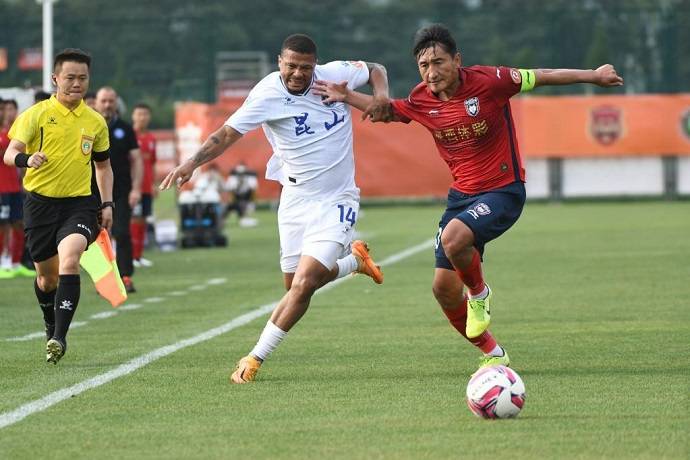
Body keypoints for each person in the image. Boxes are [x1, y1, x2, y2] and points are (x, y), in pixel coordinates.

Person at [314, 23, 624, 371]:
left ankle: (479, 293)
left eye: (438, 62)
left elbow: (543, 74)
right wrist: (347, 96)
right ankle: (494, 355)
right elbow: (387, 110)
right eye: (424, 65)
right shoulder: (422, 99)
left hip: (503, 190)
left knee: (454, 238)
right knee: (443, 289)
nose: (431, 72)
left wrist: (593, 76)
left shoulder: (490, 81)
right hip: (462, 198)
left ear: (457, 59)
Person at [161, 33, 390, 384]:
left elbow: (377, 68)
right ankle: (353, 263)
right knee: (295, 286)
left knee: (304, 284)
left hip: (337, 199)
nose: (299, 74)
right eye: (292, 66)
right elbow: (224, 134)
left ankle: (253, 360)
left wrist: (381, 95)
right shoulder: (267, 94)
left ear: (317, 65)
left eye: (307, 67)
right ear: (279, 61)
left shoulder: (335, 74)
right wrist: (191, 163)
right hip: (294, 201)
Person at [3, 48, 113, 363]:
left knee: (70, 260)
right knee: (46, 279)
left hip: (79, 205)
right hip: (39, 205)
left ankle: (59, 338)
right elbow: (10, 154)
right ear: (55, 78)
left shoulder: (95, 121)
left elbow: (103, 167)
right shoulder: (36, 115)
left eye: (83, 78)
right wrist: (27, 158)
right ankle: (50, 322)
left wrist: (106, 203)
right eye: (70, 77)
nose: (77, 83)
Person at [95, 87, 142, 292]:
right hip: (93, 190)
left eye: (110, 101)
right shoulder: (89, 126)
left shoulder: (125, 128)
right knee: (97, 235)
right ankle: (103, 279)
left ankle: (125, 276)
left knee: (122, 233)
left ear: (116, 103)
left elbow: (137, 159)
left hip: (121, 190)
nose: (107, 105)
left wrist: (137, 189)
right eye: (103, 101)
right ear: (96, 102)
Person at [0, 98, 34, 279]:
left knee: (18, 223)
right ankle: (3, 262)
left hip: (14, 188)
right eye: (5, 109)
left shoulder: (14, 135)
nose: (7, 112)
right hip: (1, 188)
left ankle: (15, 263)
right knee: (3, 225)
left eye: (11, 109)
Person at [131, 102, 156, 268]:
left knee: (143, 220)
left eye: (145, 114)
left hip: (147, 186)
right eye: (139, 114)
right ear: (133, 116)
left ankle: (139, 256)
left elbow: (152, 162)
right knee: (134, 220)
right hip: (134, 188)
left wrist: (153, 184)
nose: (142, 117)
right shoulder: (129, 136)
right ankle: (132, 256)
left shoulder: (151, 138)